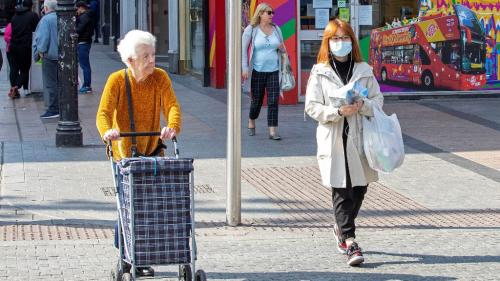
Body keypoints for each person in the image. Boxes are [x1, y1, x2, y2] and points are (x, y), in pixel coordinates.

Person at [96, 30, 181, 278]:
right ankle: (126, 252)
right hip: (124, 156)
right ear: (131, 60)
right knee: (128, 206)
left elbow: (172, 105)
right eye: (146, 56)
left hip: (153, 151)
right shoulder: (117, 81)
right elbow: (103, 113)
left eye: (153, 54)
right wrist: (107, 132)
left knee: (150, 206)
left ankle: (141, 253)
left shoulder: (161, 78)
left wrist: (172, 126)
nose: (152, 60)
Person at [305, 19, 383, 266]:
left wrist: (363, 105)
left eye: (345, 38)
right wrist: (337, 112)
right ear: (328, 42)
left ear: (352, 40)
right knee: (341, 190)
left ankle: (340, 229)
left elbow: (378, 99)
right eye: (335, 39)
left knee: (360, 188)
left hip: (360, 138)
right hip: (335, 139)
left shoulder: (363, 69)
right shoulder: (320, 71)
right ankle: (350, 241)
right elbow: (311, 107)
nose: (341, 43)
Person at [241, 2, 285, 140]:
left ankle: (272, 131)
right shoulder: (251, 30)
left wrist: (281, 48)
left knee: (273, 101)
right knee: (257, 101)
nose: (272, 15)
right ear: (260, 14)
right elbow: (243, 50)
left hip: (274, 70)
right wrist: (245, 68)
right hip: (257, 71)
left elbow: (282, 49)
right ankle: (251, 121)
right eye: (269, 13)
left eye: (272, 13)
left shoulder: (277, 29)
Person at [32, 0, 59, 119]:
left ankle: (53, 109)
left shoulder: (46, 20)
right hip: (62, 56)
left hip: (50, 56)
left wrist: (40, 52)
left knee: (50, 84)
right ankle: (60, 107)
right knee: (60, 83)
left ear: (46, 8)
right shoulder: (61, 17)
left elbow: (43, 39)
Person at [9, 0, 39, 98]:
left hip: (13, 46)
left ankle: (14, 87)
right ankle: (16, 87)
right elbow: (37, 30)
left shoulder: (14, 17)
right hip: (25, 47)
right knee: (25, 70)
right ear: (31, 6)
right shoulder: (33, 16)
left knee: (14, 69)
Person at [75, 1, 94, 94]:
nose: (76, 11)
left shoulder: (84, 17)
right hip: (85, 42)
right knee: (84, 65)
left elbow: (79, 30)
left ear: (81, 8)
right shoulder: (86, 16)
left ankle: (87, 85)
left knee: (85, 65)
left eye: (77, 9)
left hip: (83, 42)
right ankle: (87, 85)